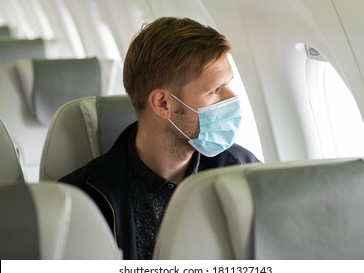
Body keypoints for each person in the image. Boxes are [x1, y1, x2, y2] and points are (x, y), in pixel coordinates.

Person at [59, 16, 260, 260]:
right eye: (215, 91)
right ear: (163, 104)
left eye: (228, 85)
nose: (232, 99)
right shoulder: (76, 202)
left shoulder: (247, 173)